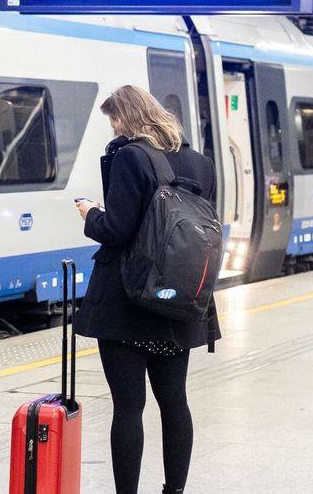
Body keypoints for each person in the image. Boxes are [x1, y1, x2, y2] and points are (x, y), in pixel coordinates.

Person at [73, 85, 221, 494]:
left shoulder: (131, 157)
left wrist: (90, 214)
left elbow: (117, 230)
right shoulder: (200, 163)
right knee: (174, 400)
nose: (115, 128)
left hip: (129, 304)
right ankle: (173, 490)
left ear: (128, 117)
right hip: (180, 298)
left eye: (114, 120)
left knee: (129, 407)